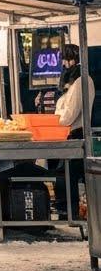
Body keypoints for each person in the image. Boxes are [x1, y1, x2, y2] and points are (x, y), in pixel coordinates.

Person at [54, 44, 91, 219]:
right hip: (70, 134)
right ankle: (69, 212)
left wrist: (54, 119)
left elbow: (68, 116)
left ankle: (70, 213)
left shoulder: (81, 82)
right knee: (66, 173)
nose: (64, 64)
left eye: (66, 59)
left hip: (78, 134)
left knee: (66, 174)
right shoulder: (72, 82)